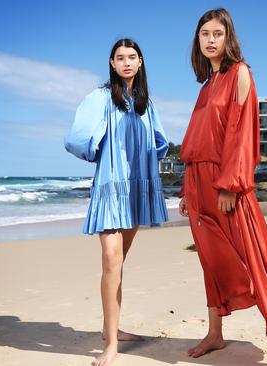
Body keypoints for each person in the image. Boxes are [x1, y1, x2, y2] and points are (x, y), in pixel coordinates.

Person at [178, 8, 267, 366]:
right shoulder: (206, 86)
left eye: (217, 33)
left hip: (225, 183)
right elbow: (196, 142)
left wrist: (231, 185)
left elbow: (243, 133)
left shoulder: (240, 74)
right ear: (198, 40)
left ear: (228, 38)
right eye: (204, 34)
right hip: (197, 182)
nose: (211, 40)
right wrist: (187, 191)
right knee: (211, 260)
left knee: (257, 259)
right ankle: (215, 334)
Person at [64, 38, 169, 366]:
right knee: (111, 261)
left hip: (136, 189)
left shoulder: (145, 103)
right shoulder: (99, 98)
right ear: (111, 63)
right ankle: (111, 345)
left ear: (140, 62)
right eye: (120, 57)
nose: (126, 62)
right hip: (110, 188)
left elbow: (160, 141)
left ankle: (112, 329)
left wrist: (149, 165)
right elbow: (76, 138)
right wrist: (98, 148)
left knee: (117, 265)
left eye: (132, 57)